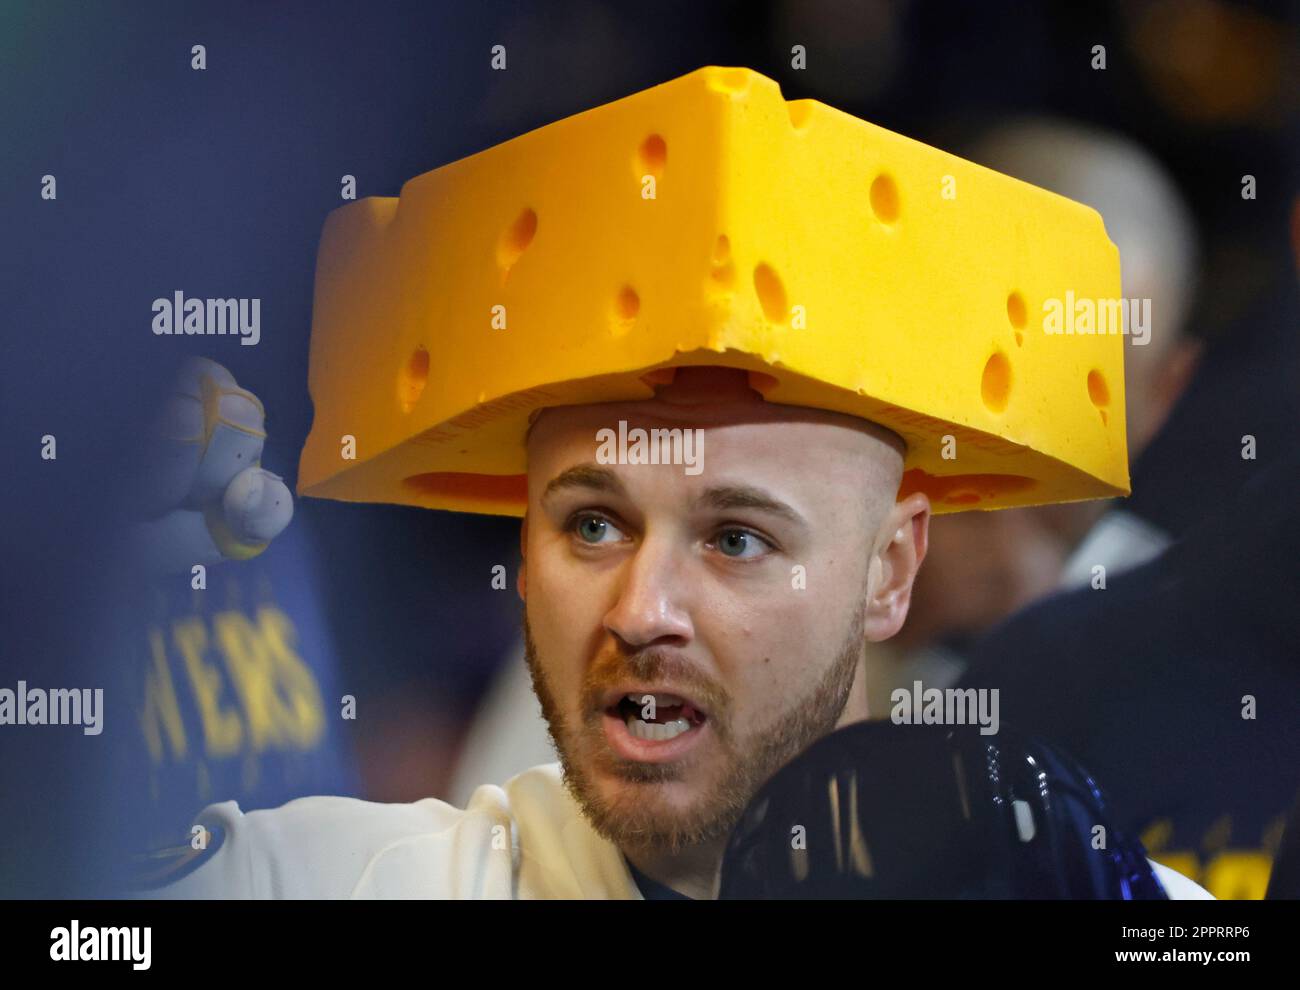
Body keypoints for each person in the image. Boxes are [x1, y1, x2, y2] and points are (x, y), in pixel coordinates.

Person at [152, 65, 1210, 899]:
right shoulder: (332, 884)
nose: (640, 611)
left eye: (736, 539)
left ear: (891, 570)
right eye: (595, 524)